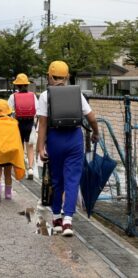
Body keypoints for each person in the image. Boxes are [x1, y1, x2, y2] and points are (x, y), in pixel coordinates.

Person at [37, 60, 99, 237]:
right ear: (68, 77)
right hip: (74, 139)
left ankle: (56, 218)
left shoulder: (44, 96)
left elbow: (42, 124)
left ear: (49, 76)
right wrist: (96, 133)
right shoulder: (77, 94)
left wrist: (41, 148)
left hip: (55, 140)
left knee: (57, 180)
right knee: (72, 180)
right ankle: (68, 221)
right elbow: (92, 118)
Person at [8, 73, 38, 180]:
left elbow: (8, 111)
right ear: (26, 85)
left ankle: (21, 169)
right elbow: (37, 111)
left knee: (19, 147)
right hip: (30, 124)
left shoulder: (13, 96)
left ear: (17, 85)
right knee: (30, 147)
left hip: (18, 124)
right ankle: (30, 169)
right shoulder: (32, 95)